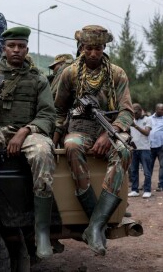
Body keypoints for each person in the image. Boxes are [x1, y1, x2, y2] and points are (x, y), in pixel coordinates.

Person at [0, 26, 56, 259]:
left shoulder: (38, 79)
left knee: (42, 153)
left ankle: (41, 231)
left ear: (27, 49)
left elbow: (48, 114)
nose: (16, 50)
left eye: (20, 46)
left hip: (30, 131)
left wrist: (25, 131)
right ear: (4, 49)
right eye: (12, 46)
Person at [53, 25, 133, 256]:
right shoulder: (69, 73)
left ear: (104, 47)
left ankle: (96, 226)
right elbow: (59, 110)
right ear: (81, 48)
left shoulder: (116, 73)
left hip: (109, 128)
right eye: (89, 48)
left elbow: (126, 111)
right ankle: (95, 221)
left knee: (124, 151)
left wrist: (111, 132)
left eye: (98, 48)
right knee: (71, 145)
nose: (93, 53)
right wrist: (54, 138)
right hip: (80, 129)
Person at [128, 103, 152, 198]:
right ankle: (134, 190)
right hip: (134, 149)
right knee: (133, 171)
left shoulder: (147, 119)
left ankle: (147, 190)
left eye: (136, 113)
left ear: (140, 110)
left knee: (146, 171)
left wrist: (135, 126)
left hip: (145, 149)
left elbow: (147, 133)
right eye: (133, 113)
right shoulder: (132, 120)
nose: (134, 115)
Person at [149, 103, 163, 191]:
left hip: (161, 147)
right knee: (149, 166)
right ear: (156, 109)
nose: (162, 111)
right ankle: (147, 184)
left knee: (162, 166)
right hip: (150, 147)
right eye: (161, 109)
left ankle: (161, 184)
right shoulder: (149, 119)